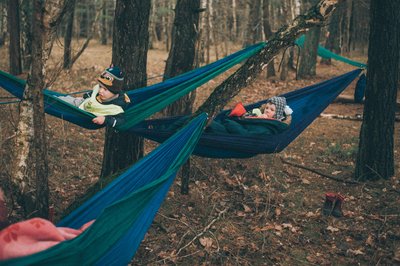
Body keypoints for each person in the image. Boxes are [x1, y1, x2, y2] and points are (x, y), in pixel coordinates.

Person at [58, 66, 131, 128]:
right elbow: (93, 93)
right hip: (82, 103)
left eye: (105, 89)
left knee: (66, 103)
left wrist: (105, 120)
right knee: (63, 100)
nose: (100, 91)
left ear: (114, 92)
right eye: (100, 86)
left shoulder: (116, 107)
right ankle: (51, 98)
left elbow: (121, 120)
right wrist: (86, 96)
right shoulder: (101, 92)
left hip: (88, 116)